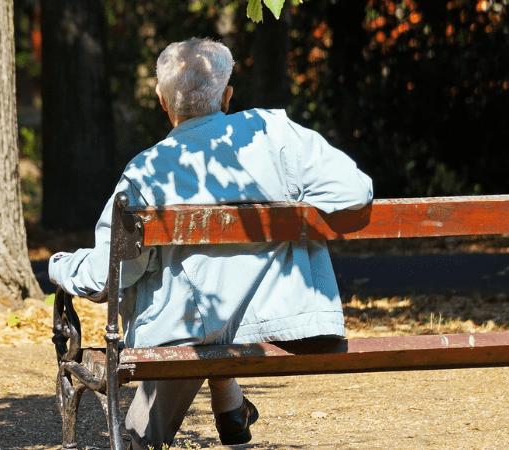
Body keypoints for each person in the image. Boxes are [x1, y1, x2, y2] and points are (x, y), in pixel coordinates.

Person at [49, 38, 373, 449]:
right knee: (210, 308)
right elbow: (354, 193)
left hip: (188, 334)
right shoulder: (277, 135)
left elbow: (106, 277)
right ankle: (230, 406)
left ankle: (153, 434)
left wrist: (60, 266)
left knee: (187, 324)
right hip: (284, 323)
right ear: (227, 95)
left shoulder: (147, 171)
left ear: (161, 100)